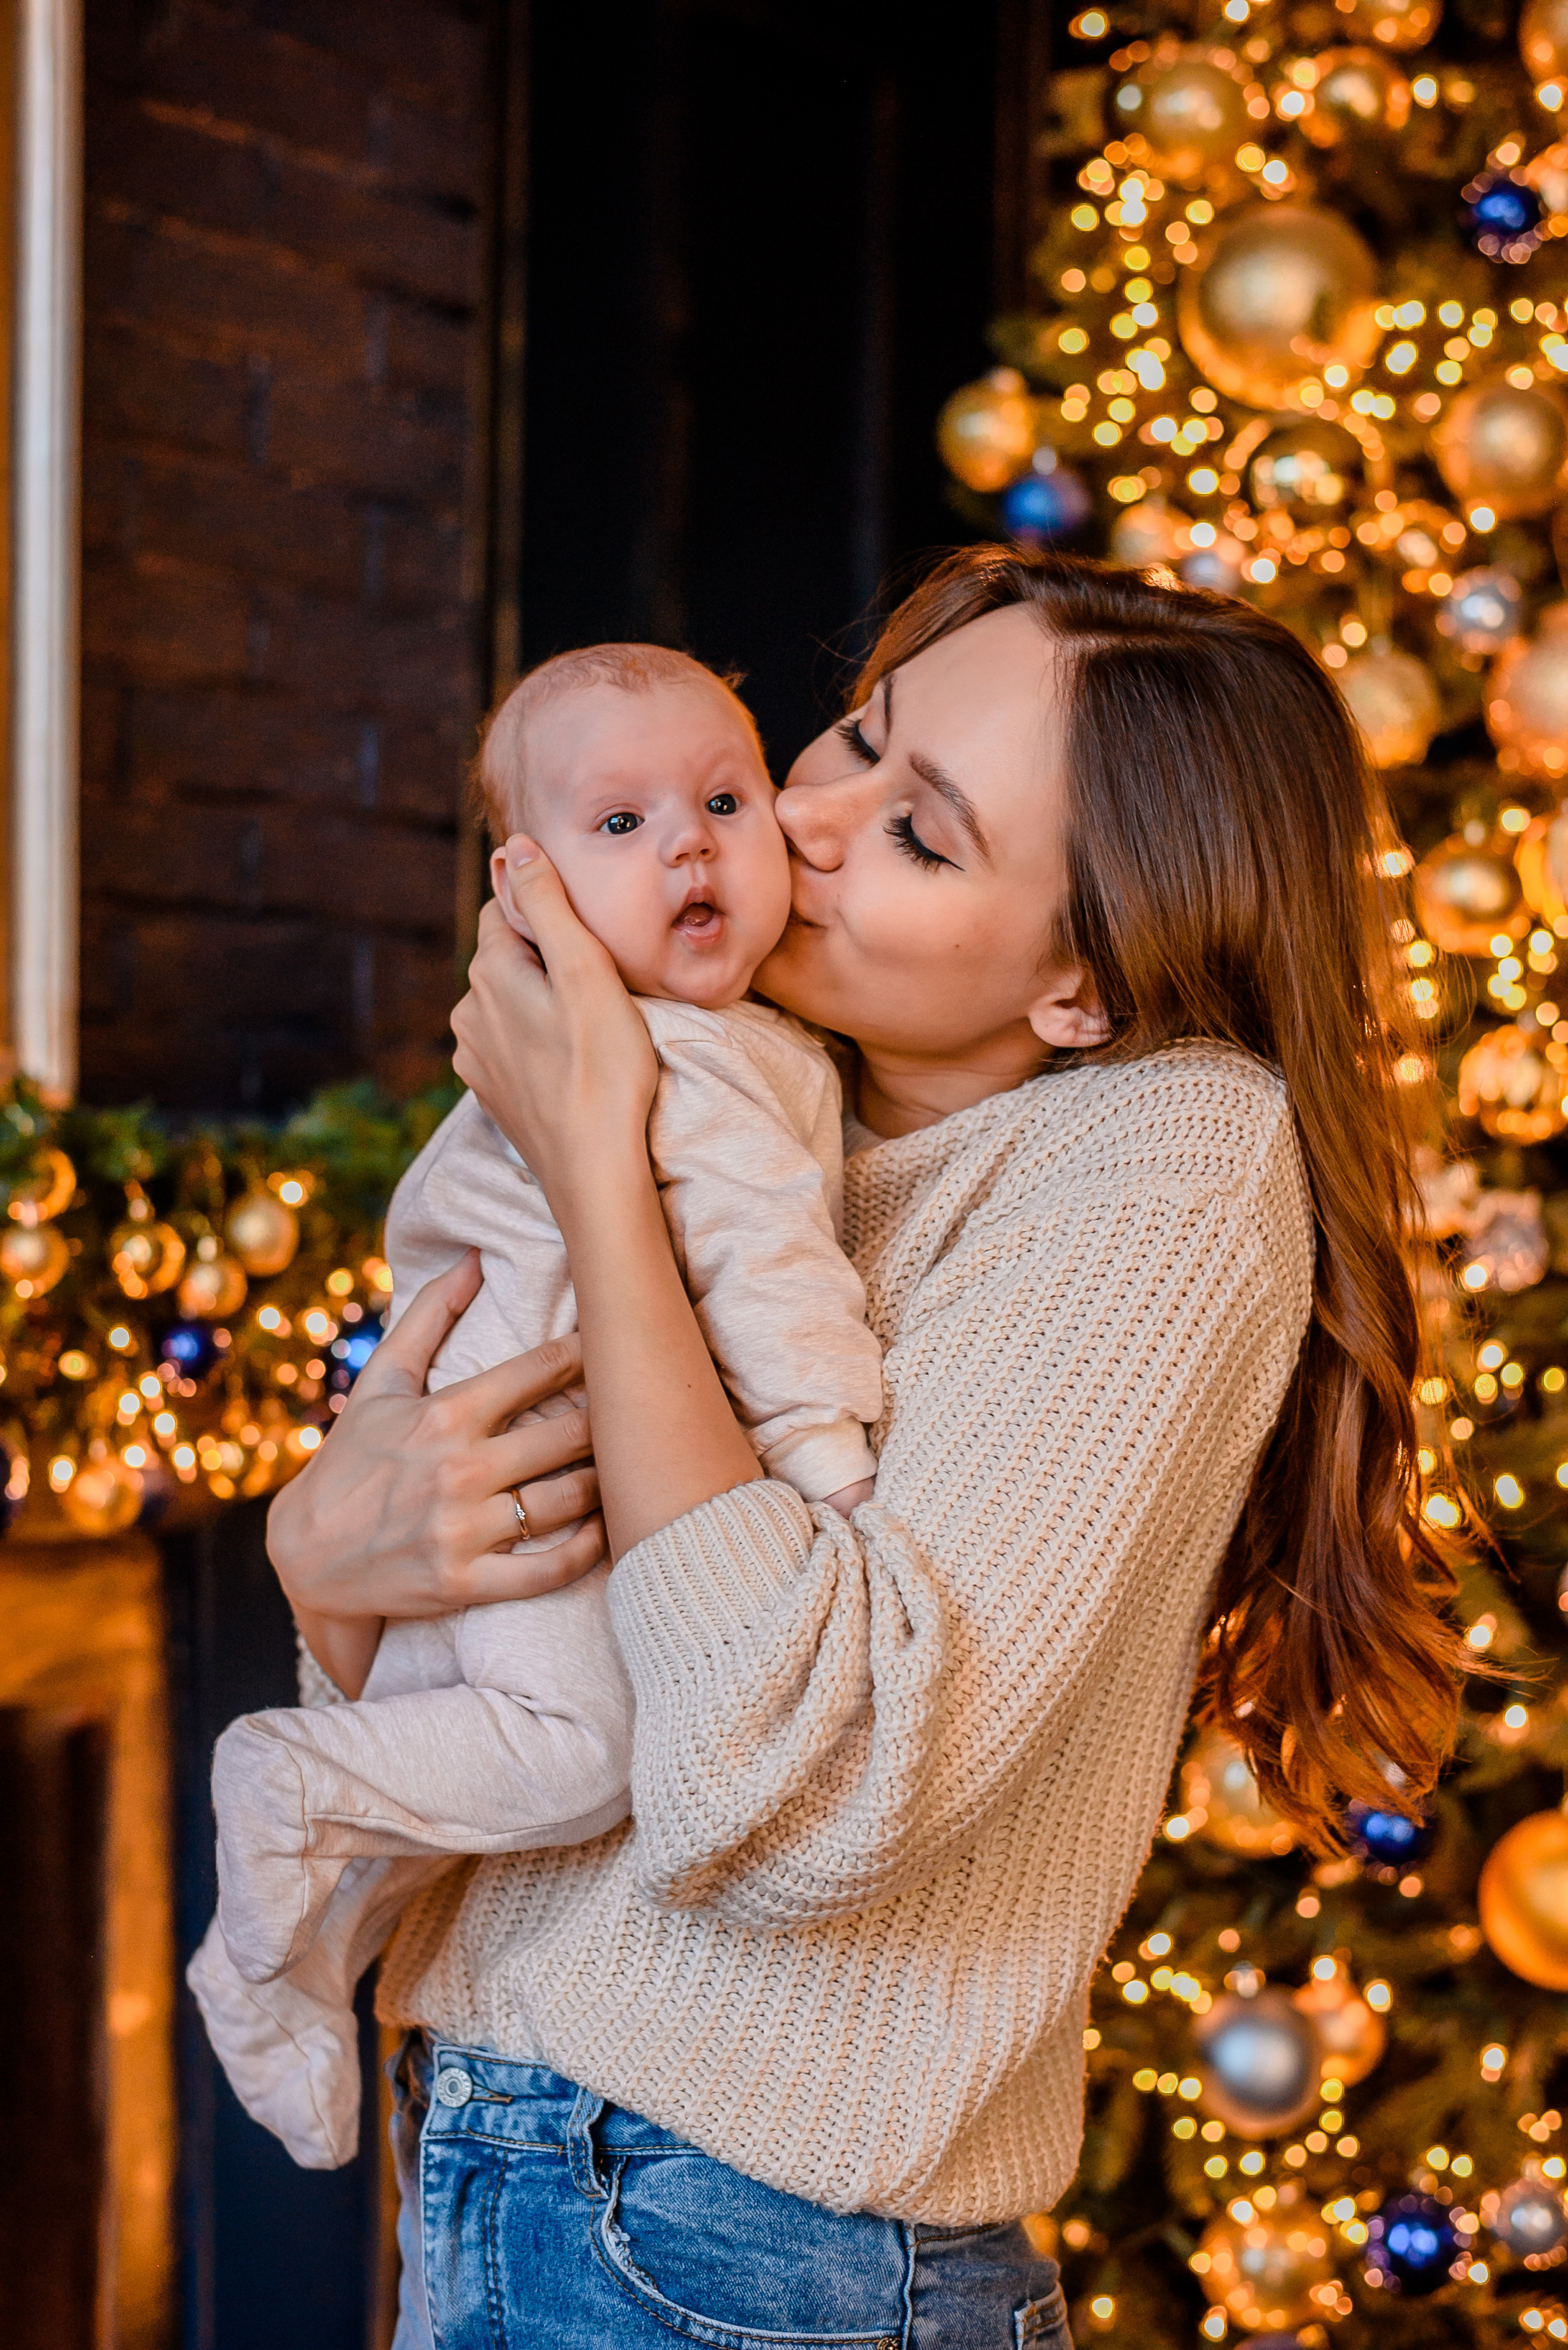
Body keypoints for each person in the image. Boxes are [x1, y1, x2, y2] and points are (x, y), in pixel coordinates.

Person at [268, 550, 1465, 2350]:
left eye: (922, 834)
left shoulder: (1165, 1166)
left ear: (1086, 987)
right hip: (513, 2158)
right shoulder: (753, 1102)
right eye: (846, 738)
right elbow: (522, 1686)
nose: (796, 820)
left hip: (732, 2244)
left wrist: (599, 1166)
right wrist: (327, 1570)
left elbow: (801, 1789)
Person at [189, 643, 882, 2171]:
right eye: (619, 825)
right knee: (574, 1751)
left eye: (722, 799)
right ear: (528, 890)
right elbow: (763, 1262)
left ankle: (277, 1974)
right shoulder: (689, 1056)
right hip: (542, 1462)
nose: (690, 845)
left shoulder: (601, 1048)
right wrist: (832, 1458)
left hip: (471, 1446)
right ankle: (282, 1788)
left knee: (437, 1783)